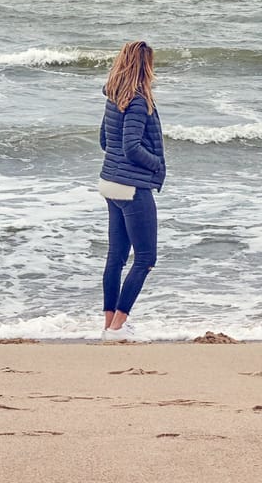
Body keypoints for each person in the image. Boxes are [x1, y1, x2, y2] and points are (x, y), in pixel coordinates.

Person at [98, 40, 166, 340]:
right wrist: (157, 165)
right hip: (133, 187)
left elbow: (104, 141)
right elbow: (131, 147)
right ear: (144, 65)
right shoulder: (138, 100)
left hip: (111, 184)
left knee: (116, 257)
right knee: (145, 258)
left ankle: (109, 325)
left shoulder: (115, 97)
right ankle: (118, 327)